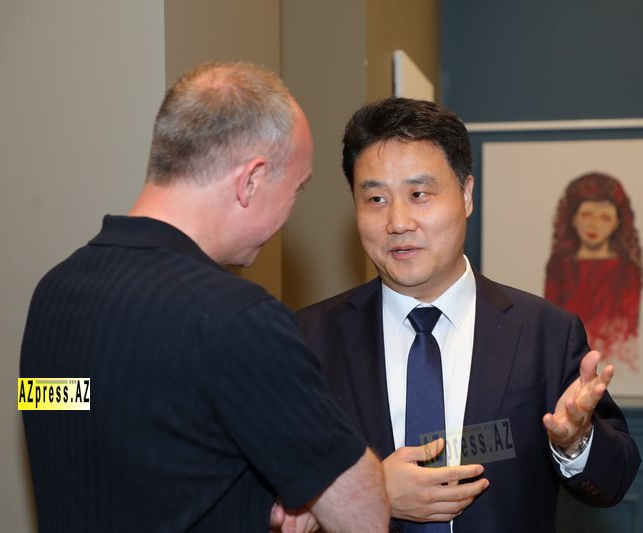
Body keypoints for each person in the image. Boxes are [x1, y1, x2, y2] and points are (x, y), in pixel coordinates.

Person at [20, 62, 388, 532]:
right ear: (251, 180)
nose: (289, 213)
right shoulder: (235, 319)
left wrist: (249, 499)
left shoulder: (53, 294)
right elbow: (363, 515)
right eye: (296, 189)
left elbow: (124, 444)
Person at [297, 97, 641, 532]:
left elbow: (614, 481)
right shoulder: (306, 339)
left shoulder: (545, 333)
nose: (398, 222)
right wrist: (371, 490)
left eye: (419, 195)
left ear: (465, 195)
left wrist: (575, 442)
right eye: (376, 199)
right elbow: (262, 494)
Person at [544, 172, 643, 372]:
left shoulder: (627, 271)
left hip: (611, 360)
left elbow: (625, 330)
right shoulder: (559, 267)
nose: (594, 224)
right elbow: (550, 324)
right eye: (586, 215)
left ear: (617, 223)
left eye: (605, 218)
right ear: (572, 218)